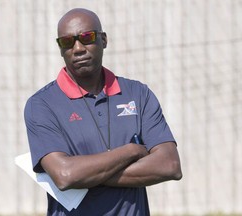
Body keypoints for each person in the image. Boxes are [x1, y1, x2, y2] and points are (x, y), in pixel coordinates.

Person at [24, 8, 182, 216]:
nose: (78, 48)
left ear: (104, 40)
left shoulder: (137, 93)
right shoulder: (42, 104)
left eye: (87, 37)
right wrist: (131, 151)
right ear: (61, 49)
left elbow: (169, 165)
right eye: (67, 42)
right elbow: (65, 175)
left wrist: (86, 175)